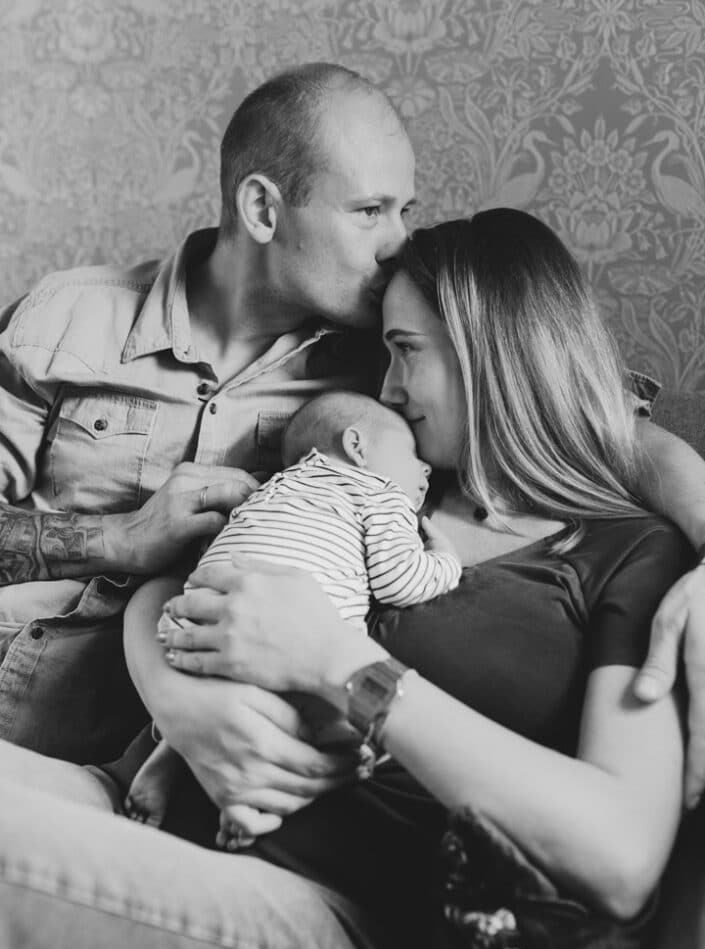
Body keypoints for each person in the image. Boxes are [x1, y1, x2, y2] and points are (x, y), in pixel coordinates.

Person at [0, 210, 694, 949]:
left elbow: (618, 855)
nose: (389, 389)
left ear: (493, 353)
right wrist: (175, 699)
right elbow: (187, 576)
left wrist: (344, 665)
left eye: (408, 351)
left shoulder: (626, 552)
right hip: (134, 794)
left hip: (332, 917)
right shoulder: (386, 479)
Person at [1, 61, 705, 796]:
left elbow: (586, 418)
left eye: (405, 209)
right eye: (369, 211)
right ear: (263, 210)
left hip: (163, 767)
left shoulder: (393, 363)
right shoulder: (66, 319)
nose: (398, 241)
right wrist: (121, 539)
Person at [126, 390, 461, 845]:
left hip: (198, 617)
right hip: (280, 631)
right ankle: (245, 807)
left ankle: (169, 752)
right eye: (411, 455)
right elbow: (398, 580)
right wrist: (444, 561)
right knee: (330, 724)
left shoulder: (273, 488)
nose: (424, 469)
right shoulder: (377, 490)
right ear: (358, 447)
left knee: (221, 696)